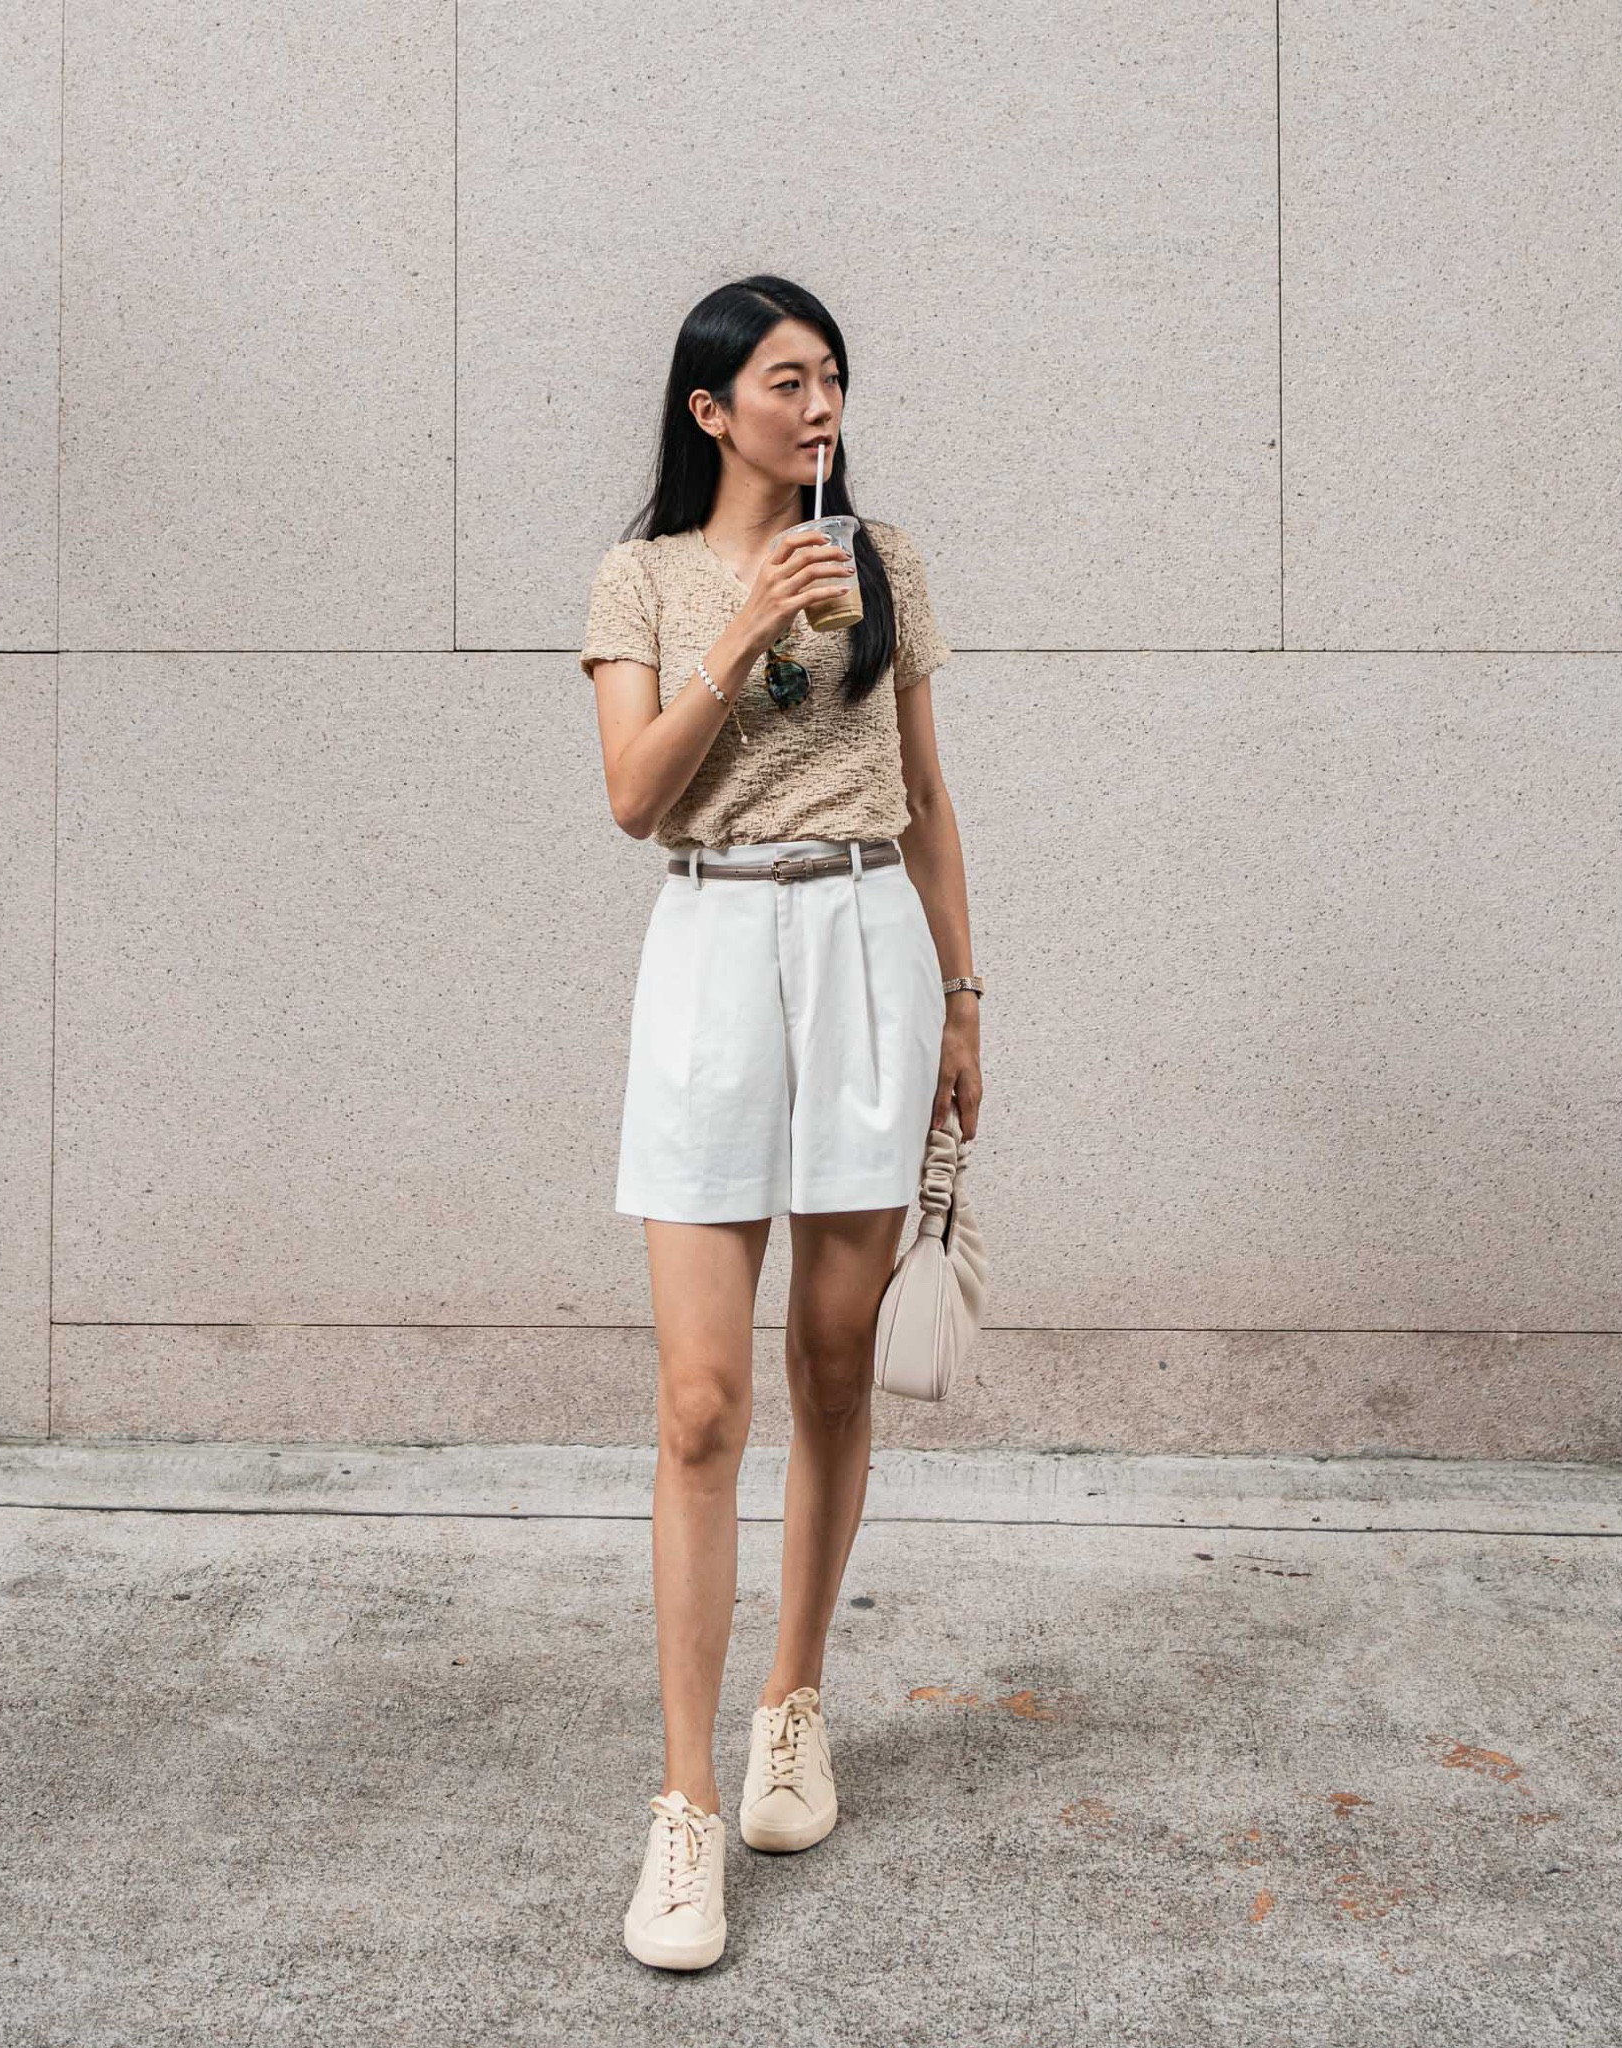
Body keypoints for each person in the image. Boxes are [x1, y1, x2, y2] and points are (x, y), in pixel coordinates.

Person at [579, 274, 985, 1972]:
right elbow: (628, 796)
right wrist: (743, 631)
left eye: (832, 380)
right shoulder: (645, 576)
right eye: (788, 383)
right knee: (697, 1404)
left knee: (830, 1366)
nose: (818, 409)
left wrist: (965, 1004)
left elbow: (932, 793)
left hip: (868, 945)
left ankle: (792, 1706)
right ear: (711, 411)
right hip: (711, 944)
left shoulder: (883, 557)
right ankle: (684, 1813)